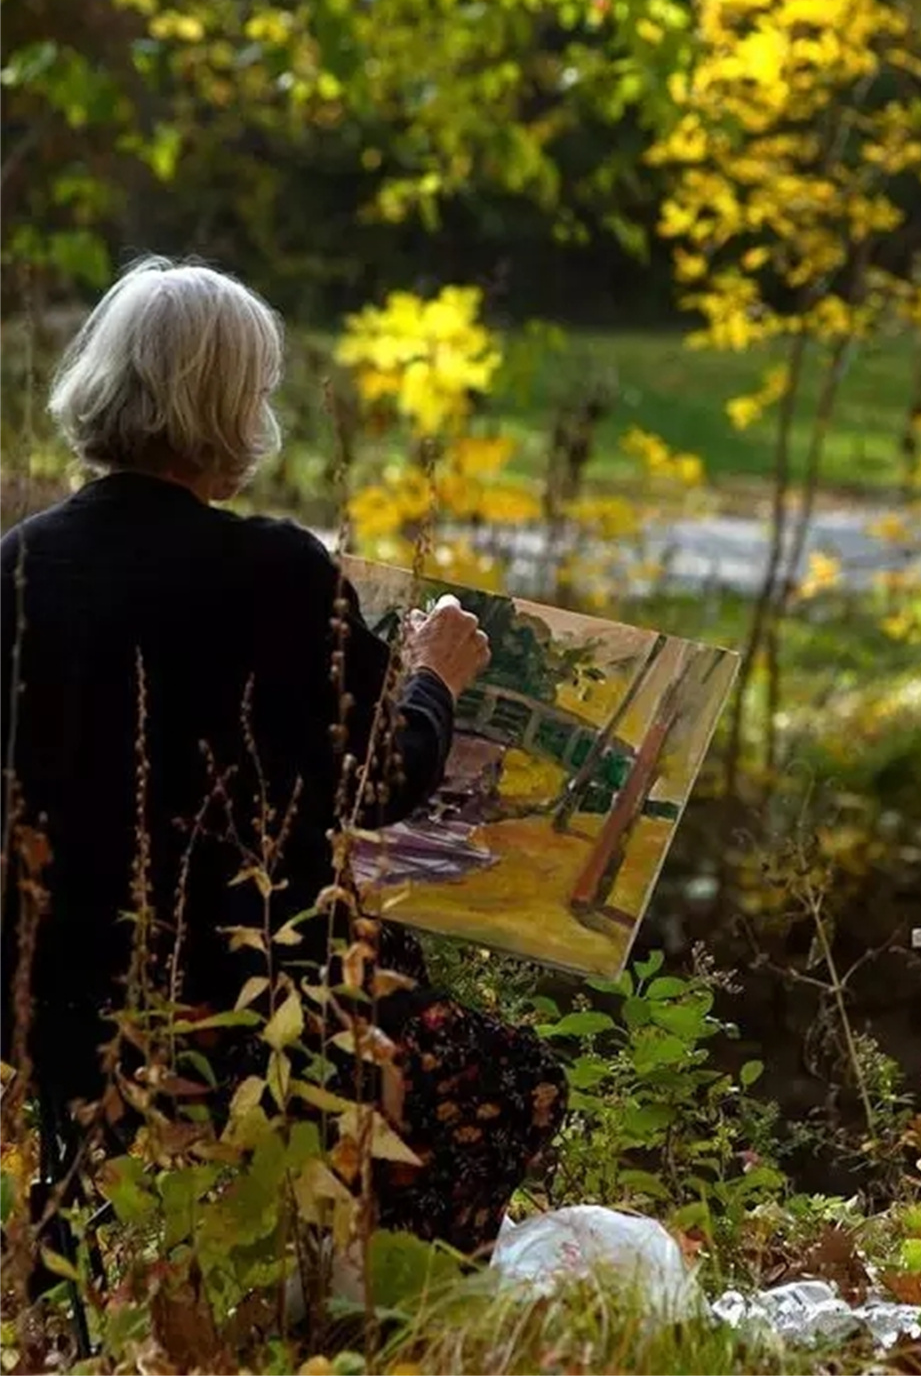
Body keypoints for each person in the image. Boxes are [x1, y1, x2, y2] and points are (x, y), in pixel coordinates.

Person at [0, 256, 566, 1255]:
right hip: (250, 1007)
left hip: (47, 1001)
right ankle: (365, 1310)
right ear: (227, 409)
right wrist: (434, 674)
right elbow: (381, 777)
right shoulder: (270, 571)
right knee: (508, 1080)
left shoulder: (16, 563)